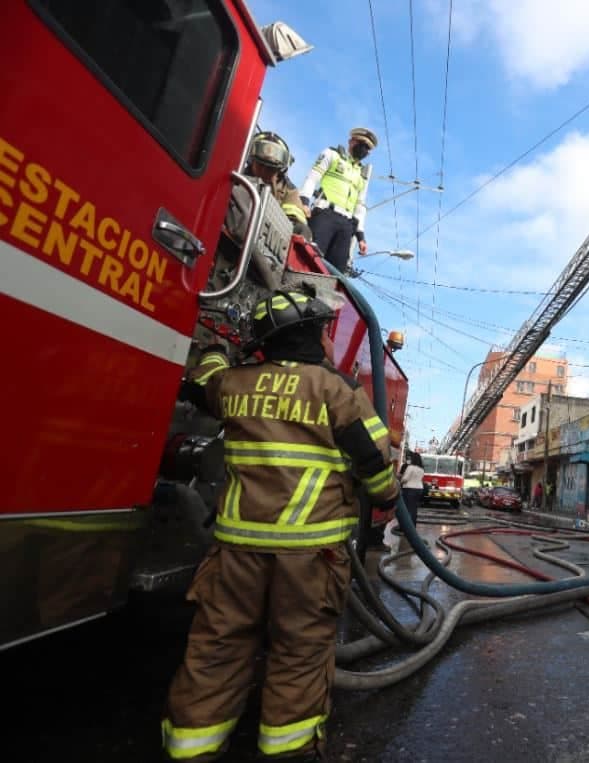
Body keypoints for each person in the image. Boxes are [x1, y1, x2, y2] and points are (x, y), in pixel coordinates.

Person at [161, 287, 400, 761]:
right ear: (312, 337)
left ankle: (191, 748)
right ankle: (287, 749)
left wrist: (216, 350)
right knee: (299, 651)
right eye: (325, 332)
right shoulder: (337, 390)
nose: (330, 341)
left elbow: (199, 382)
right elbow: (375, 461)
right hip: (309, 557)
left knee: (217, 647)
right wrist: (387, 499)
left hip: (235, 552)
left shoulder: (234, 384)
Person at [300, 127, 377, 273]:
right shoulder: (332, 155)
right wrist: (304, 202)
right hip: (325, 214)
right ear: (351, 141)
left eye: (367, 148)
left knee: (336, 272)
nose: (364, 150)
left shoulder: (361, 176)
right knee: (311, 260)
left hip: (346, 225)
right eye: (361, 144)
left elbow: (360, 207)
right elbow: (312, 178)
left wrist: (361, 237)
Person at [226, 131, 312, 242]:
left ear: (280, 170)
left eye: (271, 169)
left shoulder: (289, 191)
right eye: (260, 165)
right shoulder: (237, 173)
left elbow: (298, 225)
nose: (264, 171)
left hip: (267, 241)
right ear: (251, 160)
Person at [400, 450, 426, 527]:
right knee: (414, 508)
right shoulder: (421, 469)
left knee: (407, 508)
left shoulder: (410, 467)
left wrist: (400, 482)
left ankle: (406, 526)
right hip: (419, 489)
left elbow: (405, 479)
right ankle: (413, 525)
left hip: (409, 489)